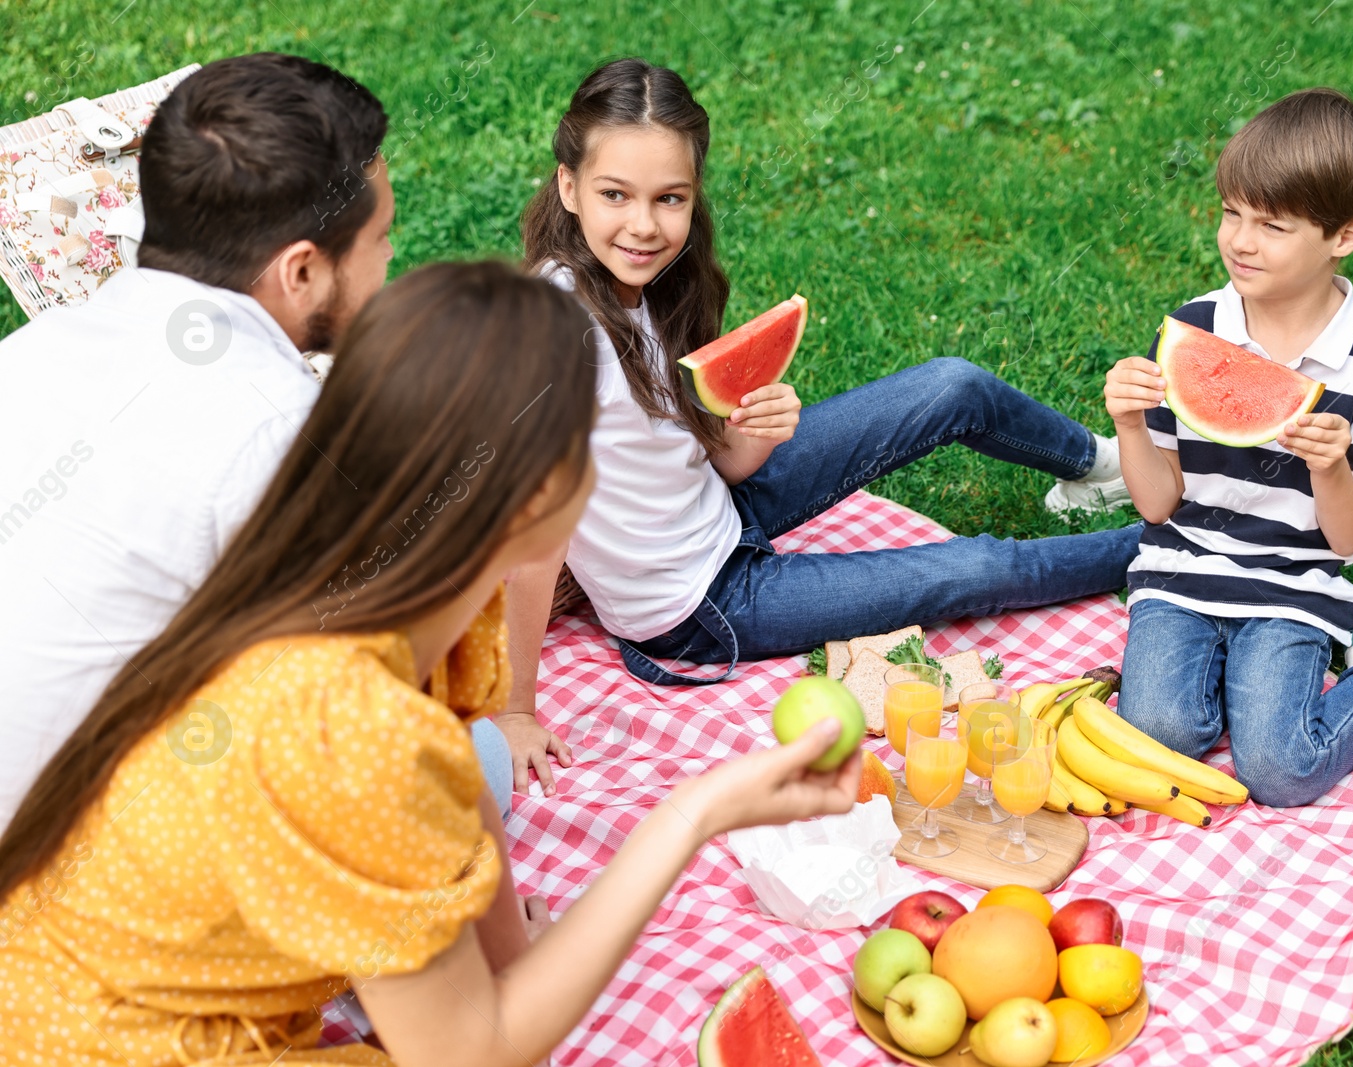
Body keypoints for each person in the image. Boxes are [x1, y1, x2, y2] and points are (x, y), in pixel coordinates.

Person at [0, 261, 859, 1066]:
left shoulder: (394, 598)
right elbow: (468, 1054)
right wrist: (692, 813)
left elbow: (458, 771)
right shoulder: (356, 727)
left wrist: (512, 957)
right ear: (541, 492)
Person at [0, 53, 542, 824]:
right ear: (301, 272)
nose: (391, 262)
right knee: (476, 759)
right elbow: (375, 714)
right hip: (87, 865)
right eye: (380, 240)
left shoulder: (35, 347)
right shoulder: (281, 431)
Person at [513, 57, 1141, 688]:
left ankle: (1103, 468)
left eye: (669, 198)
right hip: (704, 607)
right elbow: (532, 540)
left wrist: (756, 431)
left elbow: (720, 460)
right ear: (569, 187)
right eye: (614, 194)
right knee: (975, 569)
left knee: (955, 384)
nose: (644, 225)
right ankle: (1170, 545)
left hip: (722, 503)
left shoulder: (652, 286)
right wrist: (515, 711)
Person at [1104, 88, 1353, 807]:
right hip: (1180, 569)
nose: (1239, 241)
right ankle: (1225, 682)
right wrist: (1130, 426)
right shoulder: (1195, 329)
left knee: (1281, 769)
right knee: (1155, 739)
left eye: (1272, 225)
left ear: (1343, 235)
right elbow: (1159, 502)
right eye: (1231, 212)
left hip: (1296, 584)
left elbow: (1350, 537)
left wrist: (1330, 466)